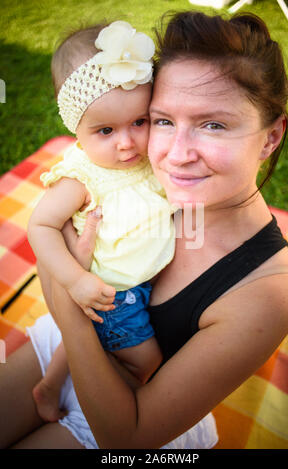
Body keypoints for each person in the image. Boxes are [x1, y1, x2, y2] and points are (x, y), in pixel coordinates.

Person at [0, 10, 288, 449]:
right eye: (161, 120)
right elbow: (55, 219)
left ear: (271, 137)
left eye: (213, 124)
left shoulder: (266, 292)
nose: (175, 155)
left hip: (124, 416)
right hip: (64, 349)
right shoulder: (145, 176)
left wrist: (68, 305)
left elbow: (127, 437)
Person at [27, 21, 175, 423]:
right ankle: (97, 405)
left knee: (87, 342)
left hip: (142, 283)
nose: (126, 143)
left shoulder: (148, 158)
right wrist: (76, 282)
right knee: (146, 361)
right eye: (105, 130)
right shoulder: (83, 176)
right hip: (110, 293)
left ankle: (49, 386)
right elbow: (40, 226)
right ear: (77, 129)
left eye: (139, 122)